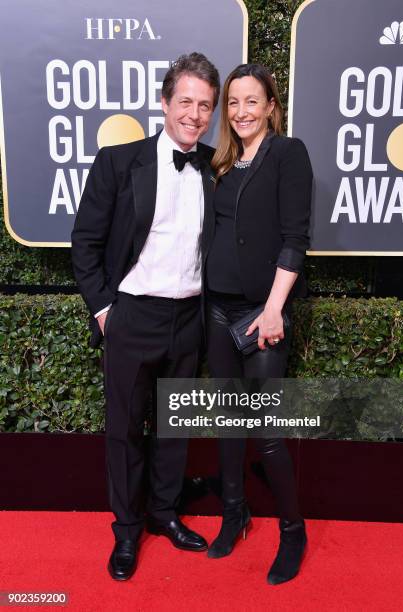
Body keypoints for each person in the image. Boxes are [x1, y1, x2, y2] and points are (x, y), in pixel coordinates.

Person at [71, 52, 220, 581]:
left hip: (189, 318)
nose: (195, 114)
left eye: (205, 105)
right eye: (185, 102)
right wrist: (106, 311)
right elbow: (85, 244)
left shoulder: (213, 169)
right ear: (164, 102)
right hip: (132, 316)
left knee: (174, 428)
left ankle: (165, 514)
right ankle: (127, 530)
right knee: (126, 431)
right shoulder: (118, 162)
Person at [205, 63, 312, 585]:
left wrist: (273, 309)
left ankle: (293, 530)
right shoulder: (220, 163)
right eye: (233, 103)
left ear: (271, 105)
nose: (242, 111)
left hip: (261, 313)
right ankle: (233, 515)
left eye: (252, 101)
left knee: (267, 433)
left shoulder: (288, 155)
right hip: (217, 310)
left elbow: (295, 236)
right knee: (227, 426)